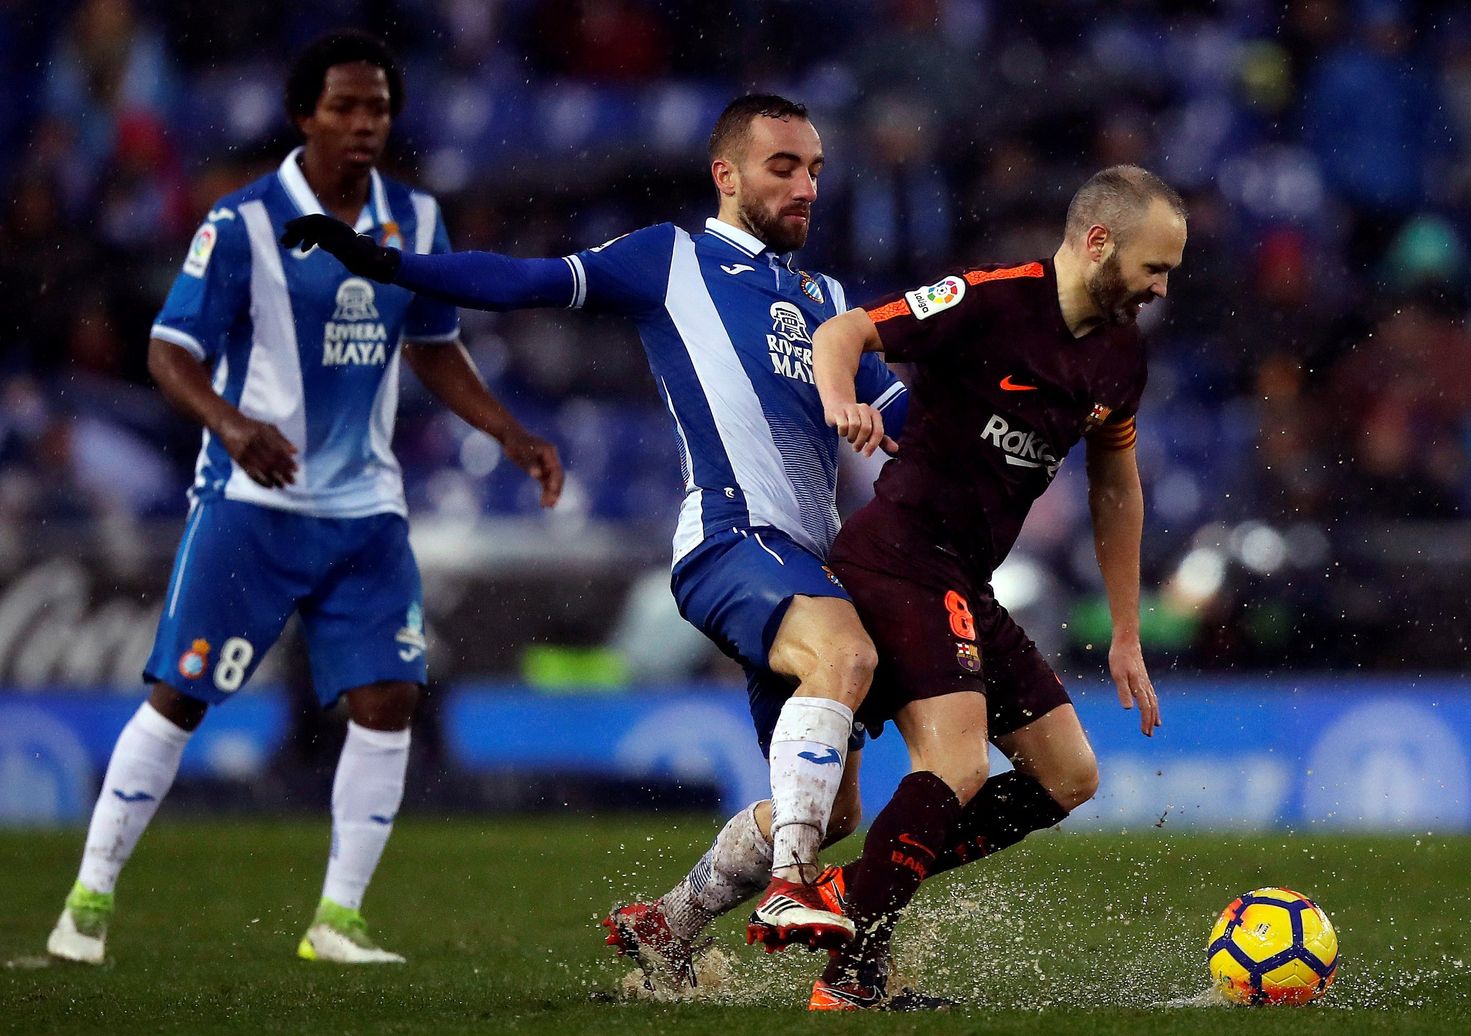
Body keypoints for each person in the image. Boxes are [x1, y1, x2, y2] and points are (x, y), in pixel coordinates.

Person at [280, 94, 910, 980]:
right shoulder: (671, 258)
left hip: (810, 557)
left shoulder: (830, 300)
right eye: (783, 167)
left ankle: (672, 922)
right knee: (845, 657)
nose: (806, 186)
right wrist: (384, 264)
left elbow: (901, 414)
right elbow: (526, 281)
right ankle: (792, 886)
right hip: (732, 535)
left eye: (814, 169)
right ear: (726, 175)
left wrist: (1015, 421)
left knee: (831, 806)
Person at [45, 29, 563, 967]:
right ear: (303, 116)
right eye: (345, 108)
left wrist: (509, 433)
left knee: (391, 696)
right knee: (178, 697)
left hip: (365, 510)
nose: (365, 125)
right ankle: (88, 897)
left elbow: (435, 344)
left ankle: (338, 921)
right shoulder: (240, 223)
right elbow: (170, 350)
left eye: (378, 109)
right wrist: (234, 426)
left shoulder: (416, 219)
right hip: (252, 501)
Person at [802, 164, 1181, 1010]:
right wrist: (841, 405)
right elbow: (844, 333)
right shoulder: (990, 299)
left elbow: (1116, 482)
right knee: (958, 763)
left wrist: (1126, 630)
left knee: (1069, 777)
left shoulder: (1121, 357)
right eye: (1156, 267)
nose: (1162, 287)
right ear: (1097, 243)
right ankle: (852, 975)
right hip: (897, 554)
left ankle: (853, 894)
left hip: (962, 575)